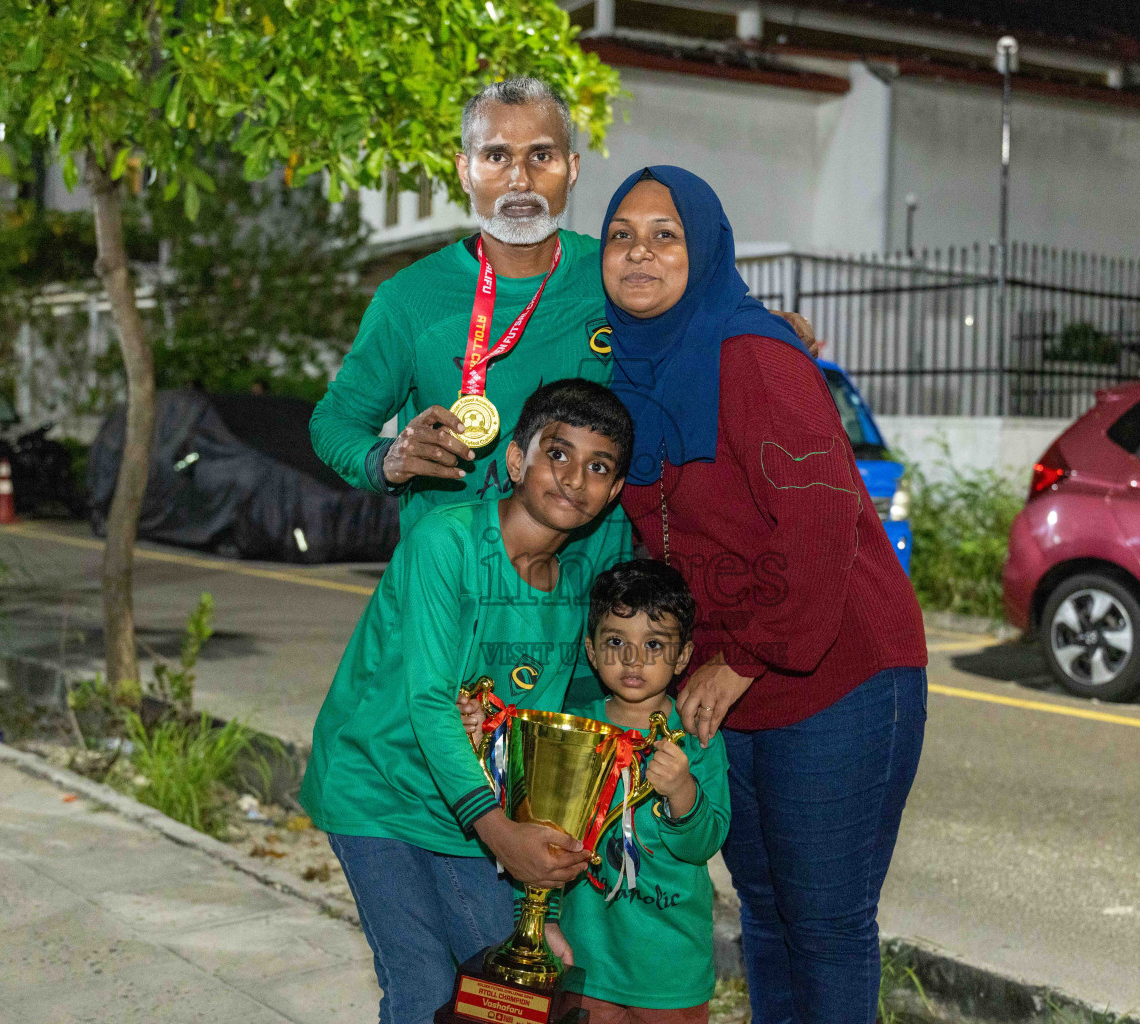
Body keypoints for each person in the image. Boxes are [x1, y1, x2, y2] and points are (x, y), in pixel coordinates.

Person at [309, 77, 814, 703]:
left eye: (540, 155)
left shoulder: (610, 272)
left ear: (570, 169)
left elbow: (699, 308)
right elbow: (333, 421)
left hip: (590, 619)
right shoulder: (409, 300)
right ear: (465, 170)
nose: (519, 178)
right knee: (448, 784)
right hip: (457, 610)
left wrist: (764, 329)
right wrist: (382, 460)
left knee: (560, 796)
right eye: (496, 156)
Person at [599, 167, 929, 1024]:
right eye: (621, 235)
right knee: (766, 919)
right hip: (726, 682)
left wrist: (739, 660)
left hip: (837, 673)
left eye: (665, 235)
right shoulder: (627, 370)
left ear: (704, 249)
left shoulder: (757, 359)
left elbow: (820, 543)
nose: (640, 252)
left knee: (822, 922)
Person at [300, 379, 633, 1024]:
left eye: (598, 468)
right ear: (515, 461)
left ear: (613, 493)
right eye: (557, 455)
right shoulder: (446, 541)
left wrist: (541, 915)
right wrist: (503, 837)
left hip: (465, 812)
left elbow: (535, 758)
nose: (574, 480)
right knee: (425, 990)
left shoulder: (570, 596)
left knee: (500, 999)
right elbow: (429, 703)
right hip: (378, 787)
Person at [547, 559, 731, 1024]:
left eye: (654, 644)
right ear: (590, 650)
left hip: (671, 971)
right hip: (587, 962)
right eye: (615, 642)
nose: (633, 660)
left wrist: (682, 792)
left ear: (684, 656)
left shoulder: (697, 735)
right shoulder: (575, 728)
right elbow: (545, 833)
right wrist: (544, 915)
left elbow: (704, 843)